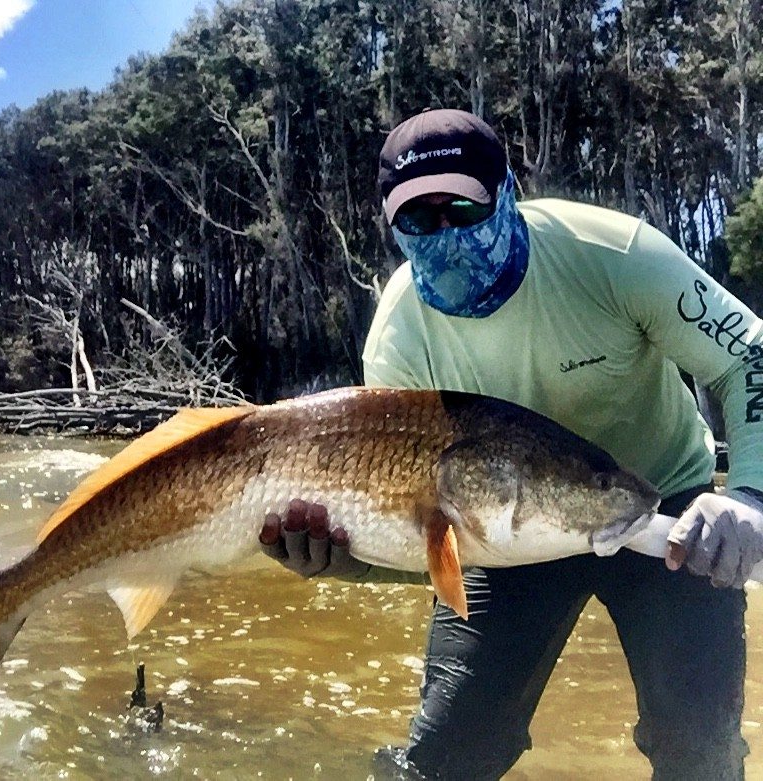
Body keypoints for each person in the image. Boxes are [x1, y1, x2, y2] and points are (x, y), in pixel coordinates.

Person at [259, 108, 763, 780]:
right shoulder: (399, 341)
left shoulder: (613, 256)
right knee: (444, 756)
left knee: (699, 748)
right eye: (419, 220)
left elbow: (749, 356)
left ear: (506, 196)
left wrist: (750, 496)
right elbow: (421, 530)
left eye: (462, 210)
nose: (445, 234)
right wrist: (343, 559)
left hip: (661, 511)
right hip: (500, 534)